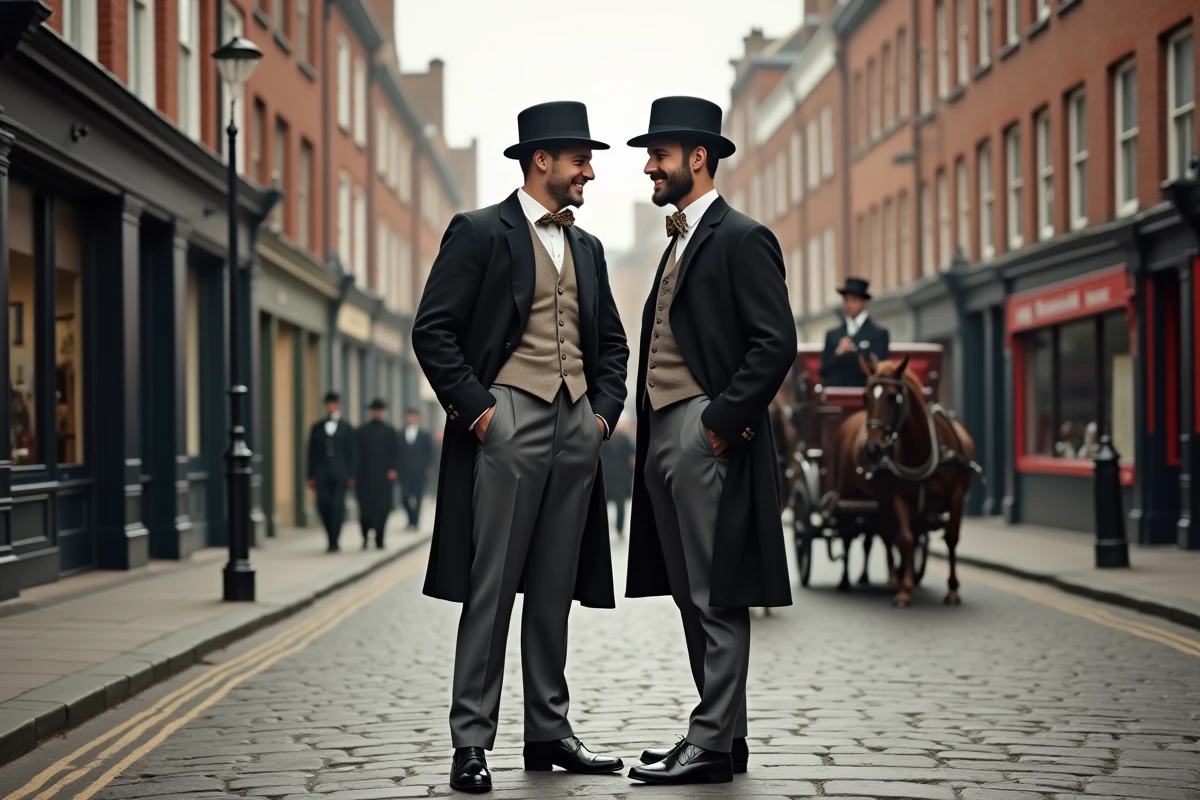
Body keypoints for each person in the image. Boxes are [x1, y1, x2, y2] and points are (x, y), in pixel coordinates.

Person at [411, 100, 629, 793]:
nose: (589, 173)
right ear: (542, 161)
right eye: (580, 161)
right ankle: (471, 742)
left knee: (555, 590)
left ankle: (549, 732)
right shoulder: (479, 231)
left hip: (576, 430)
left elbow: (613, 347)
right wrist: (481, 415)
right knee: (493, 588)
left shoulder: (589, 248)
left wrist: (600, 419)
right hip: (507, 421)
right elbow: (433, 330)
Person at [622, 96, 797, 786]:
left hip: (703, 431)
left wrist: (719, 424)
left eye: (658, 155)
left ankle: (709, 742)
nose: (648, 167)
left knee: (715, 594)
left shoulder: (743, 237)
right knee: (687, 594)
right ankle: (724, 737)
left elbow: (774, 342)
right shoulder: (677, 242)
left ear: (698, 158)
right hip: (662, 434)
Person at [306, 391, 358, 552]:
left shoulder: (347, 427)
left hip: (341, 473)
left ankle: (334, 540)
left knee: (337, 506)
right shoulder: (316, 427)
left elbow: (353, 453)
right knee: (323, 505)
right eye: (328, 404)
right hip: (321, 473)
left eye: (333, 404)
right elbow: (311, 453)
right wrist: (310, 475)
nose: (330, 407)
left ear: (338, 405)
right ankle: (329, 536)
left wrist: (352, 475)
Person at [819, 277, 890, 387]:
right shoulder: (833, 335)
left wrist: (854, 351)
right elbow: (823, 370)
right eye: (846, 300)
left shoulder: (879, 334)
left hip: (865, 390)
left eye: (854, 300)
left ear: (864, 303)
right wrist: (839, 352)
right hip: (838, 392)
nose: (849, 304)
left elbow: (879, 369)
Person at [355, 398, 400, 550]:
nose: (377, 413)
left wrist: (393, 469)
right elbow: (356, 454)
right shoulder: (362, 431)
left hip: (383, 479)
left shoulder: (390, 430)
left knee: (383, 510)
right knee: (365, 511)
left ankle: (380, 538)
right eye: (375, 410)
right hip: (365, 478)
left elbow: (396, 452)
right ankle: (365, 536)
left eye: (379, 410)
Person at [397, 407, 434, 530]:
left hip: (419, 472)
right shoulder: (400, 434)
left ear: (418, 418)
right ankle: (411, 519)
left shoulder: (424, 435)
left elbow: (430, 453)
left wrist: (428, 468)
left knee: (418, 497)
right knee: (404, 497)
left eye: (413, 416)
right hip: (404, 472)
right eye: (409, 416)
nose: (411, 418)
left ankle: (415, 522)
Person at [600, 420, 635, 537]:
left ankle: (609, 528)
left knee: (608, 504)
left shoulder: (606, 439)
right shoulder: (623, 439)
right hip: (615, 477)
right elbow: (631, 458)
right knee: (617, 504)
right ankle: (617, 529)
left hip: (611, 477)